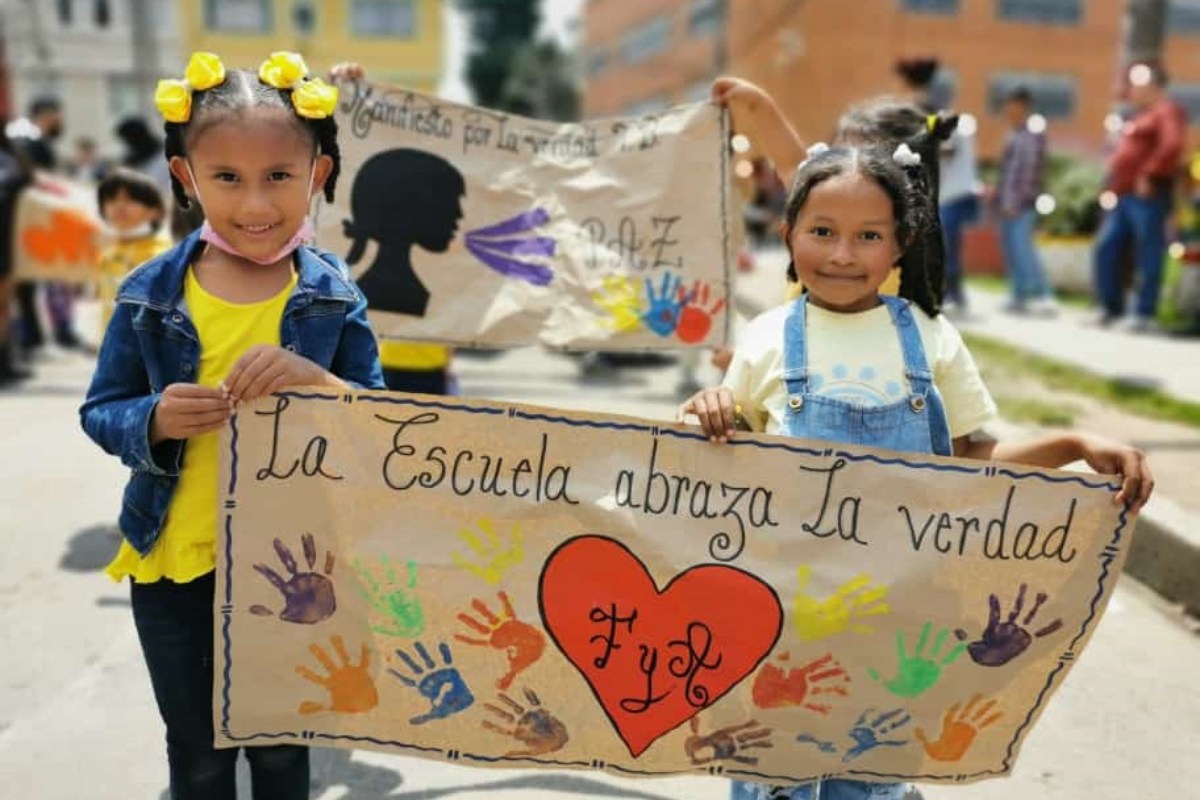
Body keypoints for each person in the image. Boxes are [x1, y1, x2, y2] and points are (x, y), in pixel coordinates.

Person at [679, 144, 1153, 800]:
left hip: (899, 621)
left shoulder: (930, 339)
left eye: (867, 236)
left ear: (899, 245)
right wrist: (711, 413)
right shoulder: (765, 338)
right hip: (785, 621)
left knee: (871, 777)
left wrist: (1073, 443)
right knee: (775, 778)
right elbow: (731, 470)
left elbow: (969, 462)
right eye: (822, 232)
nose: (843, 254)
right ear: (788, 235)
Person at [79, 51, 384, 800]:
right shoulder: (148, 294)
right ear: (185, 178)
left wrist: (319, 381)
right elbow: (100, 409)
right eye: (227, 178)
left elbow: (380, 425)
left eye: (278, 176)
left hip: (298, 571)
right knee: (200, 753)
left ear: (315, 173)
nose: (255, 202)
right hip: (176, 564)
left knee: (282, 752)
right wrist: (151, 420)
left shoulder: (332, 297)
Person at [1094, 61, 1187, 331]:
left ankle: (1145, 313)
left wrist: (1150, 174)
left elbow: (1172, 145)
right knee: (1107, 247)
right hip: (1123, 195)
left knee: (1148, 251)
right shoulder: (1137, 116)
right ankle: (1111, 308)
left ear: (1155, 86)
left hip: (1146, 196)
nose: (1131, 89)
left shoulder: (1167, 111)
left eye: (1137, 83)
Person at [11, 94, 83, 350]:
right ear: (46, 114)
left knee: (25, 283)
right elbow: (40, 179)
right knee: (49, 278)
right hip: (34, 219)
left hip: (22, 219)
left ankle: (32, 335)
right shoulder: (31, 139)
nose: (60, 120)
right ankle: (50, 332)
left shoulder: (19, 135)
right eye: (57, 115)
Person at [996, 86, 1057, 315]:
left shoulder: (1031, 133)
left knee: (1024, 251)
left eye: (1010, 106)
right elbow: (1008, 172)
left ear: (1022, 107)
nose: (1007, 111)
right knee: (1012, 251)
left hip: (1021, 205)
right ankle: (1018, 296)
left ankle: (1044, 295)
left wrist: (1017, 202)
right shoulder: (1015, 133)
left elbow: (1030, 172)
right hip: (1007, 204)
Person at [95, 167, 170, 333]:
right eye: (111, 199)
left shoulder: (161, 256)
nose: (119, 206)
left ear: (155, 211)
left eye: (130, 199)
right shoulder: (108, 253)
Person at [0, 123, 33, 384]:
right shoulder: (12, 161)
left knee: (3, 307)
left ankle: (5, 363)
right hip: (6, 243)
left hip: (6, 243)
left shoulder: (10, 162)